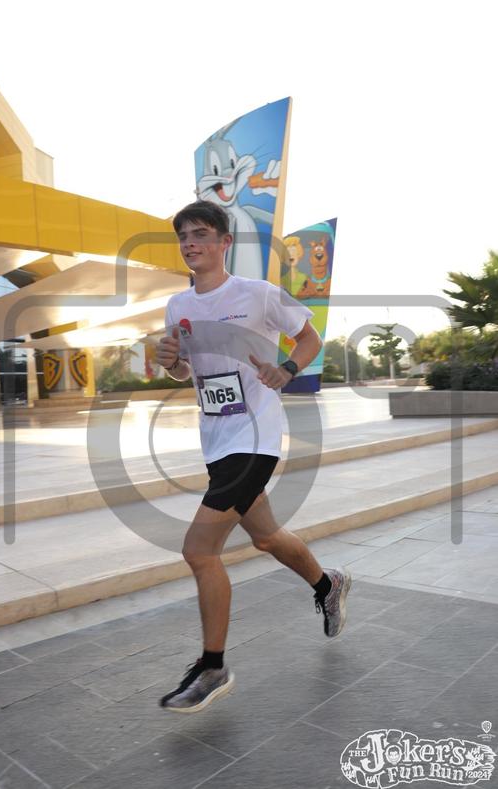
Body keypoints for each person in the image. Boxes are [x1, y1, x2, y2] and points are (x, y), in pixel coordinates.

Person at [155, 200, 351, 713]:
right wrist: (171, 363)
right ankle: (328, 584)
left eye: (201, 234)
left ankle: (213, 666)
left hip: (256, 436)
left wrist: (287, 369)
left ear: (225, 242)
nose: (190, 243)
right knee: (265, 536)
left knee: (199, 550)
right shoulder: (178, 306)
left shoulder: (257, 294)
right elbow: (185, 371)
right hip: (216, 440)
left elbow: (309, 336)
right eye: (183, 236)